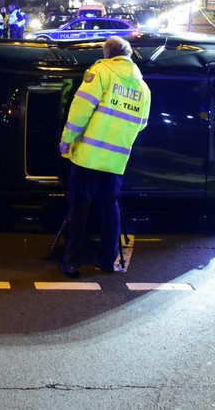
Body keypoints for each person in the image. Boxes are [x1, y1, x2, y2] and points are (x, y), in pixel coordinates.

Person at [58, 35, 151, 278]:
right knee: (110, 208)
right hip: (116, 160)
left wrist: (67, 140)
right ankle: (107, 261)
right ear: (128, 55)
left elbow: (80, 109)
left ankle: (72, 262)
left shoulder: (101, 72)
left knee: (79, 208)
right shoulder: (143, 88)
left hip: (88, 155)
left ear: (107, 54)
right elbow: (141, 124)